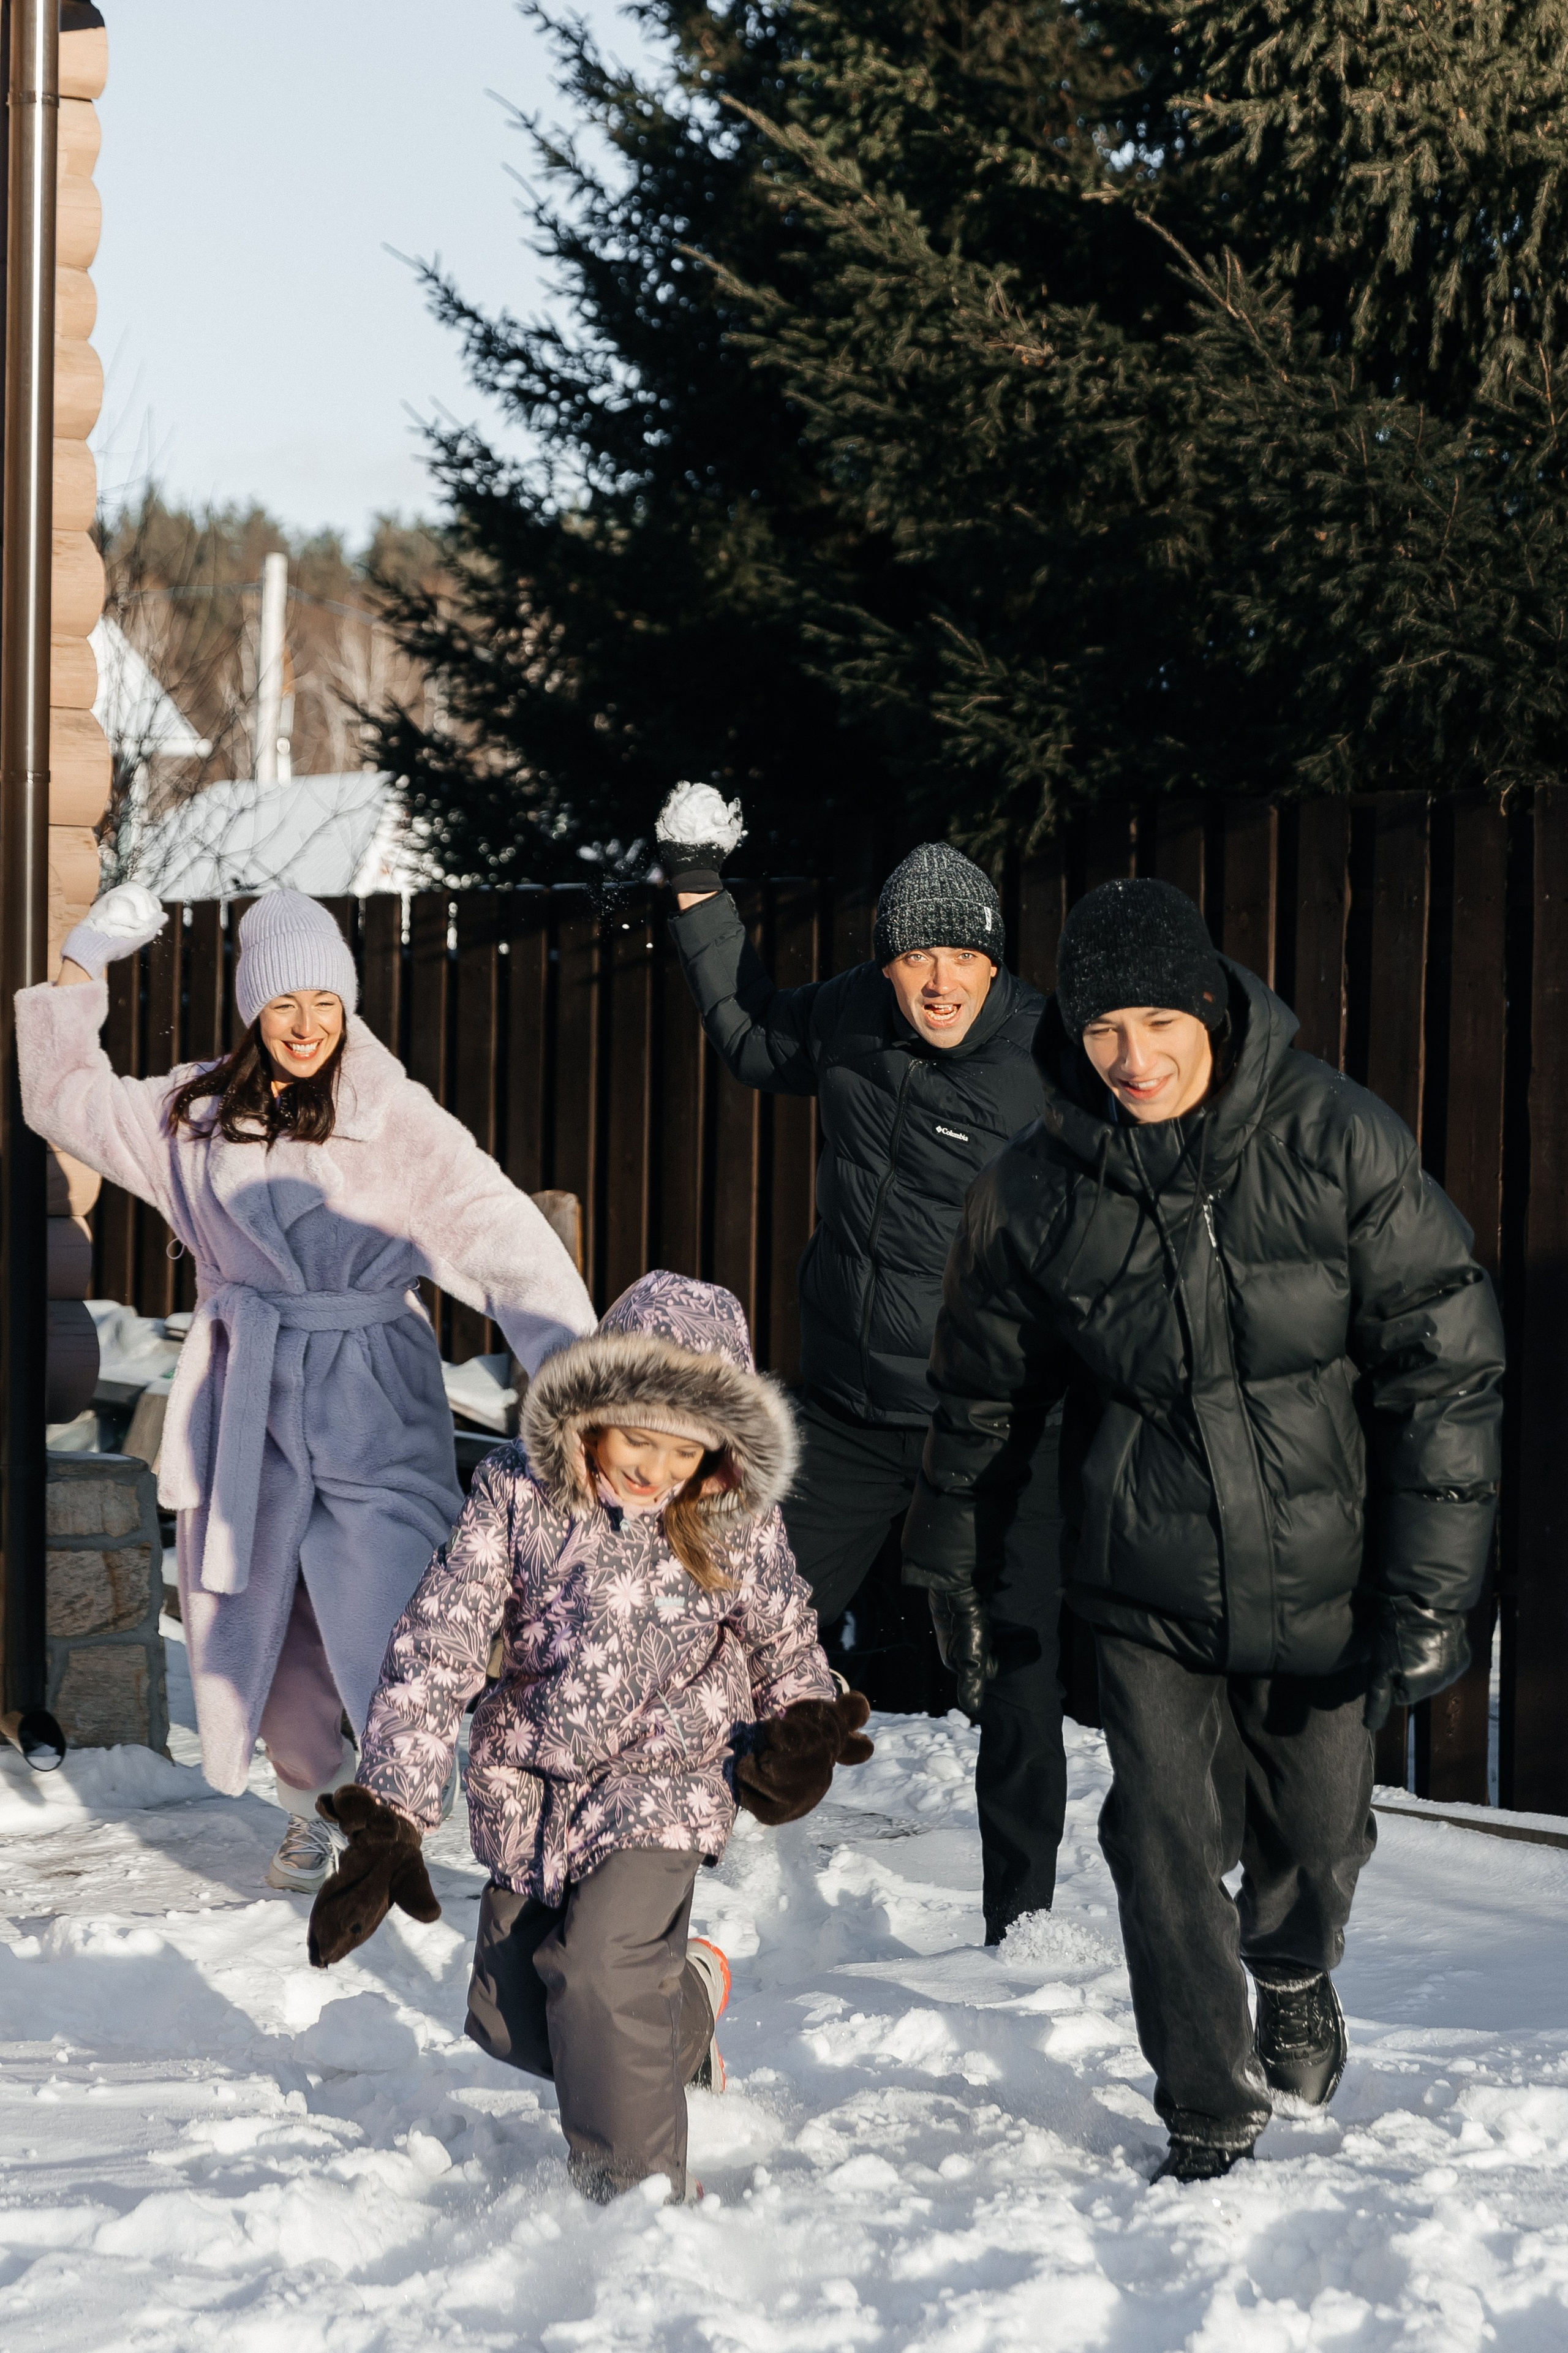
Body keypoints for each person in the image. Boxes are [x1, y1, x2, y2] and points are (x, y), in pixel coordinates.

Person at [902, 875, 1505, 2182]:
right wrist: (951, 1564)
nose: (1132, 1058)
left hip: (1325, 1572)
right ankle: (1202, 2100)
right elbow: (984, 1398)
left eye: (1157, 1022)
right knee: (1158, 1836)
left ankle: (1290, 1966)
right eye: (1103, 1027)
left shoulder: (1333, 1138)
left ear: (1211, 1013)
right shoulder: (1034, 1191)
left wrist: (1430, 1591)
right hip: (1142, 1580)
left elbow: (1443, 1361)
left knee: (1322, 1827)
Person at [17, 884, 597, 1890]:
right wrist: (83, 965)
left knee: (386, 1612)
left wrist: (582, 1379)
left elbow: (503, 1239)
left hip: (372, 1397)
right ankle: (316, 1801)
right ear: (253, 1010)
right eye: (285, 1004)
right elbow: (60, 1093)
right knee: (270, 1629)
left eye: (325, 1002)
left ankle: (398, 1794)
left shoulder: (398, 1119)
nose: (306, 1026)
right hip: (251, 1406)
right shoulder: (192, 1118)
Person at [307, 1270, 873, 2205]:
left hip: (670, 1779)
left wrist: (804, 1718)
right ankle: (685, 1996)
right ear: (592, 1408)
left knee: (603, 1975)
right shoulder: (516, 1497)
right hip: (537, 1787)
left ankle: (638, 2205)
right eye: (638, 1438)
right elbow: (438, 1641)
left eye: (684, 1451)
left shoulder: (733, 1520)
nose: (655, 1470)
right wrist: (394, 1811)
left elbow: (784, 1634)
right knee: (521, 2020)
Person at [655, 785, 1064, 1941]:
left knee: (1017, 1677)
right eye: (916, 955)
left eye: (963, 955)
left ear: (994, 963)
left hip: (992, 1426)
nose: (940, 979)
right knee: (740, 1620)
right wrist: (694, 884)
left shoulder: (1046, 1059)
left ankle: (1022, 1923)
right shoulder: (849, 1018)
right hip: (841, 1411)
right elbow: (747, 1033)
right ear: (885, 964)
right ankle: (683, 1861)